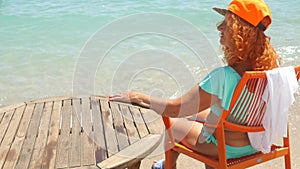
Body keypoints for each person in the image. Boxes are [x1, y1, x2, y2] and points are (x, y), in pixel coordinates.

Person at [109, 0, 281, 168]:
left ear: (240, 32)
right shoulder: (269, 72)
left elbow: (176, 108)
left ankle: (167, 166)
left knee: (173, 126)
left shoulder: (224, 77)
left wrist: (138, 97)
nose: (219, 27)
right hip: (255, 142)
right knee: (194, 115)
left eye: (227, 24)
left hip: (225, 149)